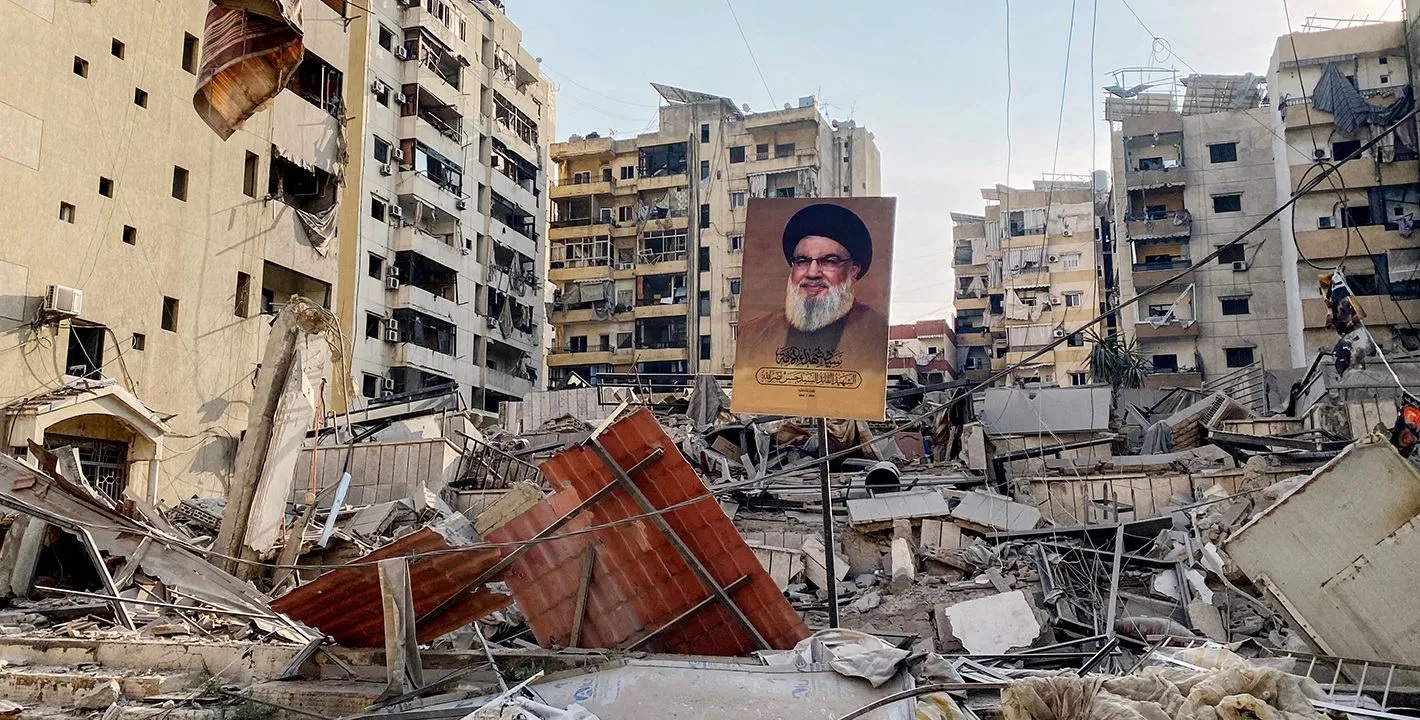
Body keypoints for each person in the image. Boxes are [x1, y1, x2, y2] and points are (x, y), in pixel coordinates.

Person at [739, 203, 888, 369]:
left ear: (853, 270)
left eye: (829, 261)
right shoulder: (752, 336)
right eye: (802, 261)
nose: (812, 273)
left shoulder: (877, 332)